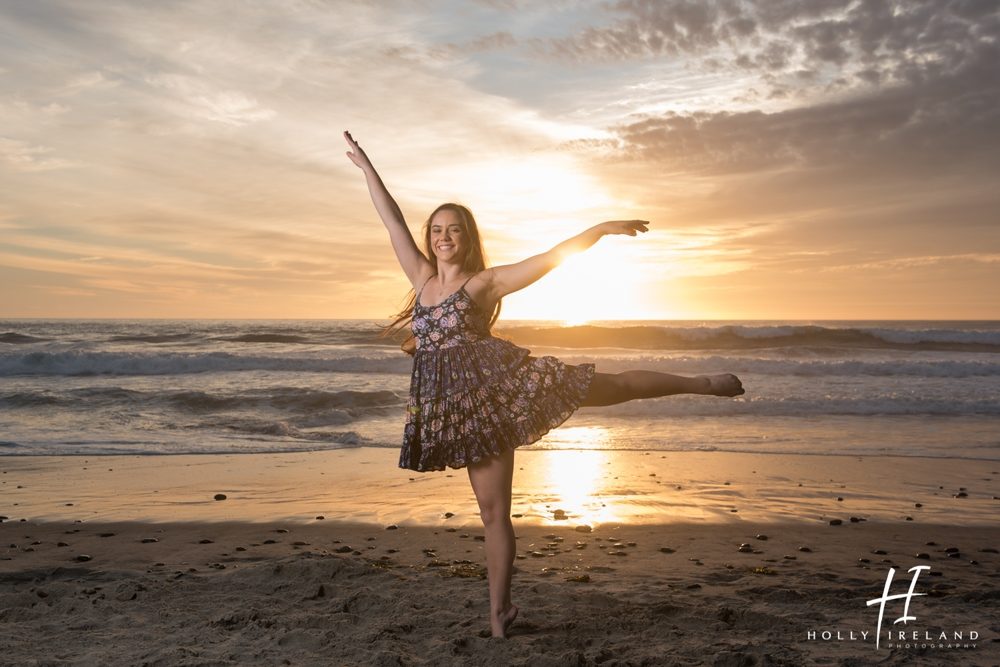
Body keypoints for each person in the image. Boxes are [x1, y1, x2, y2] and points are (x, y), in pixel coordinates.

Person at [344, 130, 745, 639]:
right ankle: (500, 615)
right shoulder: (421, 279)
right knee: (493, 514)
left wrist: (598, 229)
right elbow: (391, 218)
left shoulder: (483, 283)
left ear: (468, 238)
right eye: (438, 230)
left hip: (508, 388)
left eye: (455, 230)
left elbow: (550, 258)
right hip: (468, 414)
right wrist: (367, 169)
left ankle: (701, 382)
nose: (445, 237)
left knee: (614, 386)